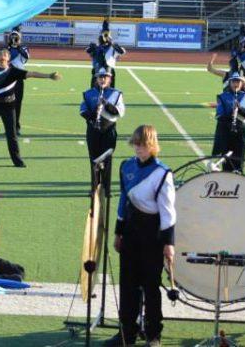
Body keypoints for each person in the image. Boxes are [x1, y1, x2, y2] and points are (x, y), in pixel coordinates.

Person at [107, 125, 176, 347]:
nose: (138, 149)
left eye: (143, 145)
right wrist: (118, 233)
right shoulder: (126, 166)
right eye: (136, 144)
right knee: (128, 285)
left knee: (150, 286)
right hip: (130, 231)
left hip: (152, 233)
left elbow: (168, 211)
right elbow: (123, 202)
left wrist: (169, 243)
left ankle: (153, 334)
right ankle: (127, 332)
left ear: (152, 145)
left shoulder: (162, 173)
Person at [80, 67, 125, 194]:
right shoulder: (88, 93)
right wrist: (93, 114)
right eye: (100, 77)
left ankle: (106, 188)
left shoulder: (116, 94)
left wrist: (106, 104)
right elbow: (82, 110)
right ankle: (94, 187)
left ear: (110, 79)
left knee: (107, 159)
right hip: (93, 131)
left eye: (105, 77)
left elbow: (119, 112)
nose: (102, 79)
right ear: (96, 79)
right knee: (94, 159)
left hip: (108, 130)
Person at [211, 71, 245, 172]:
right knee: (226, 163)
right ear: (230, 83)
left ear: (241, 84)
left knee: (239, 162)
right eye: (234, 82)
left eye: (238, 82)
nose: (236, 84)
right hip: (226, 131)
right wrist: (231, 114)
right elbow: (219, 115)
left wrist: (240, 109)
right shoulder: (223, 96)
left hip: (241, 132)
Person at [4, 26, 30, 134]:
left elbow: (26, 57)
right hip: (8, 78)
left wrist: (18, 46)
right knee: (8, 103)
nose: (14, 39)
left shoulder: (23, 48)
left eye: (16, 37)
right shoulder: (6, 50)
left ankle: (16, 126)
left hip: (19, 78)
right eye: (13, 37)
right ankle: (9, 127)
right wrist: (11, 46)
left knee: (17, 103)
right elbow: (5, 59)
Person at [86, 19, 126, 88]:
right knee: (94, 87)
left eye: (107, 35)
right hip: (97, 68)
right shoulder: (96, 46)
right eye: (104, 35)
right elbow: (88, 51)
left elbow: (122, 52)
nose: (105, 38)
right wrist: (95, 46)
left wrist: (113, 44)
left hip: (109, 68)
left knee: (110, 88)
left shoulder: (113, 46)